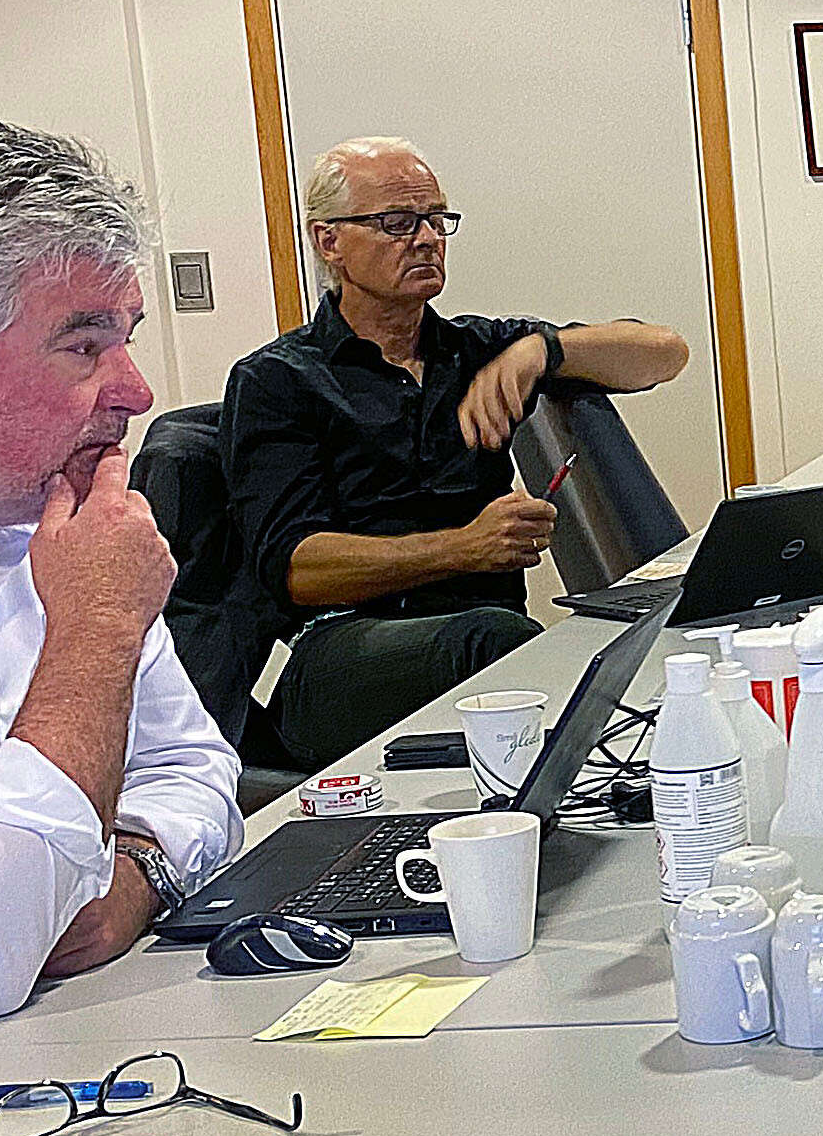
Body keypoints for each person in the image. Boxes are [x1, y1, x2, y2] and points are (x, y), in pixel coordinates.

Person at [0, 124, 240, 1032]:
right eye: (85, 347)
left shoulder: (47, 524)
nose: (137, 391)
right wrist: (95, 633)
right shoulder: (92, 575)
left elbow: (196, 769)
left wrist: (137, 875)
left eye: (126, 339)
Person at [221, 137, 690, 771]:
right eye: (396, 223)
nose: (425, 239)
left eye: (436, 220)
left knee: (631, 628)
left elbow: (664, 353)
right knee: (499, 640)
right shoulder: (278, 380)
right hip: (336, 655)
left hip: (483, 636)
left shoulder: (475, 350)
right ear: (330, 241)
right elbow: (297, 570)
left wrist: (542, 350)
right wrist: (465, 548)